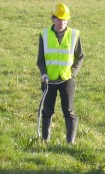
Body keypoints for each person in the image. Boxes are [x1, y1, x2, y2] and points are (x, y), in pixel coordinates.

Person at [37, 3, 84, 144]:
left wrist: (73, 73)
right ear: (53, 19)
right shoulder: (44, 35)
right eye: (59, 19)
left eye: (64, 20)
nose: (62, 23)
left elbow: (80, 56)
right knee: (47, 111)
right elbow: (40, 60)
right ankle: (45, 140)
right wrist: (43, 73)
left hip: (66, 79)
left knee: (69, 111)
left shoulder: (74, 35)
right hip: (48, 80)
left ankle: (70, 142)